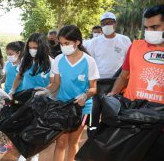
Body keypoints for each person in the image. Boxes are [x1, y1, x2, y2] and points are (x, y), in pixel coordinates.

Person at [35, 25, 100, 161]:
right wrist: (47, 91)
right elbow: (56, 84)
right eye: (61, 43)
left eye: (67, 43)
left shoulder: (89, 61)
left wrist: (85, 96)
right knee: (61, 142)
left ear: (77, 42)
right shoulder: (59, 59)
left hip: (81, 108)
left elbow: (93, 89)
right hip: (62, 107)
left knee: (73, 142)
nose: (63, 46)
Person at [9, 33, 54, 161]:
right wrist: (12, 90)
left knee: (36, 129)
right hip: (26, 99)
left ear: (42, 47)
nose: (32, 50)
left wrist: (46, 90)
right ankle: (23, 154)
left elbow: (54, 82)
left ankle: (34, 154)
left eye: (35, 47)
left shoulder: (51, 62)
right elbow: (19, 76)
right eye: (30, 47)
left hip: (42, 100)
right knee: (23, 126)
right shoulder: (26, 60)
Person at [87, 12, 132, 136]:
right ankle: (92, 138)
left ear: (115, 24)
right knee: (93, 113)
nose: (107, 25)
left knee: (114, 114)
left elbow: (129, 63)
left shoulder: (124, 40)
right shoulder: (94, 42)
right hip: (97, 83)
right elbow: (90, 62)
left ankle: (109, 141)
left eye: (109, 22)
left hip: (117, 84)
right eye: (104, 23)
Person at [108, 5, 164, 104]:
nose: (149, 31)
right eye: (146, 28)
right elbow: (123, 76)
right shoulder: (135, 46)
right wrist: (112, 95)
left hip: (159, 115)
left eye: (154, 27)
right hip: (131, 111)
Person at [0, 41, 25, 153]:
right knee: (6, 119)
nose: (9, 56)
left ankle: (21, 142)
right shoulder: (8, 63)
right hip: (6, 95)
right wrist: (0, 81)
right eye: (7, 53)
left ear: (18, 53)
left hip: (19, 96)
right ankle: (8, 143)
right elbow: (7, 76)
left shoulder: (23, 65)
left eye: (11, 53)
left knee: (19, 120)